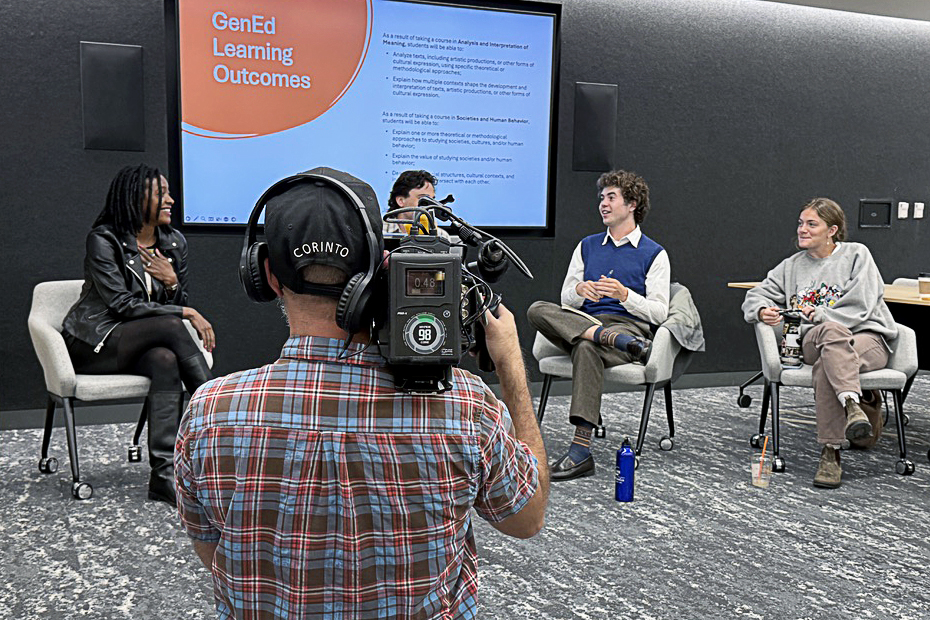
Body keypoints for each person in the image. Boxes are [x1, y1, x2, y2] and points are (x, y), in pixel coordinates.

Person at [175, 168, 547, 619]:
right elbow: (527, 518)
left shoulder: (209, 412)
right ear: (381, 265)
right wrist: (510, 365)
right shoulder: (465, 406)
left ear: (266, 275)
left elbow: (214, 556)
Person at [62, 164, 214, 503]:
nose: (171, 200)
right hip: (94, 342)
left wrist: (171, 282)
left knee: (164, 359)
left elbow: (177, 302)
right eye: (161, 193)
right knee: (173, 325)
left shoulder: (173, 243)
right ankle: (219, 416)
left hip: (140, 344)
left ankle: (163, 475)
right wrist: (187, 312)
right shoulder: (104, 240)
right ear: (135, 197)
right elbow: (121, 305)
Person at [742, 197, 897, 488]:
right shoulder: (791, 266)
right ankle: (852, 405)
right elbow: (756, 294)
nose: (802, 229)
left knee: (829, 358)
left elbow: (862, 303)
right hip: (816, 339)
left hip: (867, 338)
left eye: (812, 224)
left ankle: (831, 453)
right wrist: (761, 310)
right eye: (801, 223)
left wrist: (823, 314)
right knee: (830, 336)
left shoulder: (857, 254)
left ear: (832, 230)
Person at [527, 169, 670, 481]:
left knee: (586, 346)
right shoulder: (587, 246)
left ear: (632, 204)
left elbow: (660, 313)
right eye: (602, 198)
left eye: (611, 197)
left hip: (628, 329)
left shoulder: (654, 254)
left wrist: (626, 296)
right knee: (537, 309)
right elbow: (565, 299)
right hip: (586, 323)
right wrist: (580, 291)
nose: (603, 204)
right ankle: (606, 337)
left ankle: (580, 451)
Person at [384, 169, 451, 239]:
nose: (430, 206)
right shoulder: (380, 232)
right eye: (423, 200)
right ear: (400, 201)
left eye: (432, 200)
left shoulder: (442, 236)